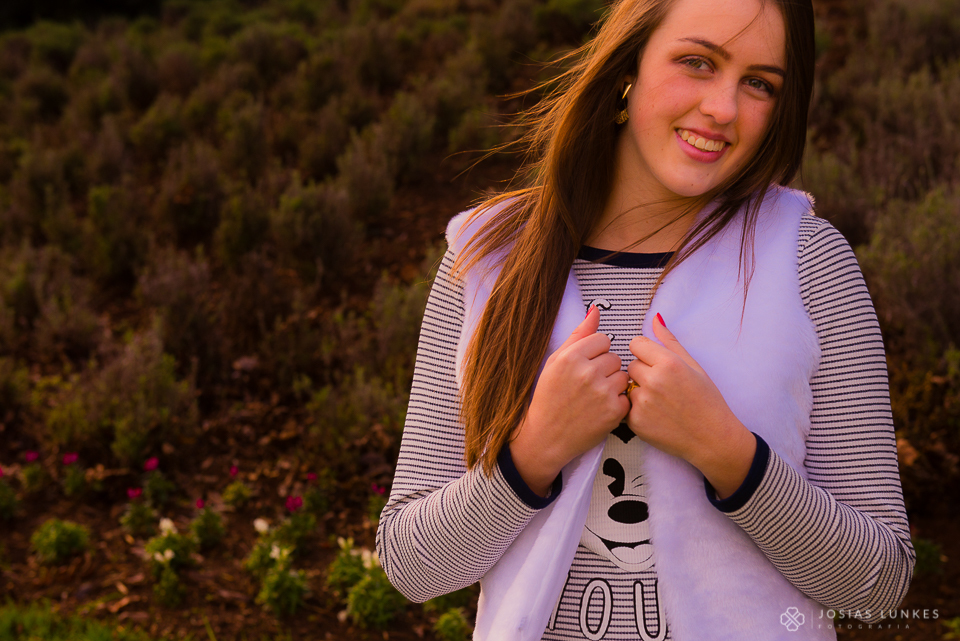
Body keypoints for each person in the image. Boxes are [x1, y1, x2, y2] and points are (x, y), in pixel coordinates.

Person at [376, 0, 915, 638]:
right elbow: (412, 566)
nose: (723, 108)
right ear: (628, 66)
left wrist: (730, 456)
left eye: (759, 83)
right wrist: (534, 452)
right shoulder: (490, 257)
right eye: (697, 62)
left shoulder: (808, 260)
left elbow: (877, 586)